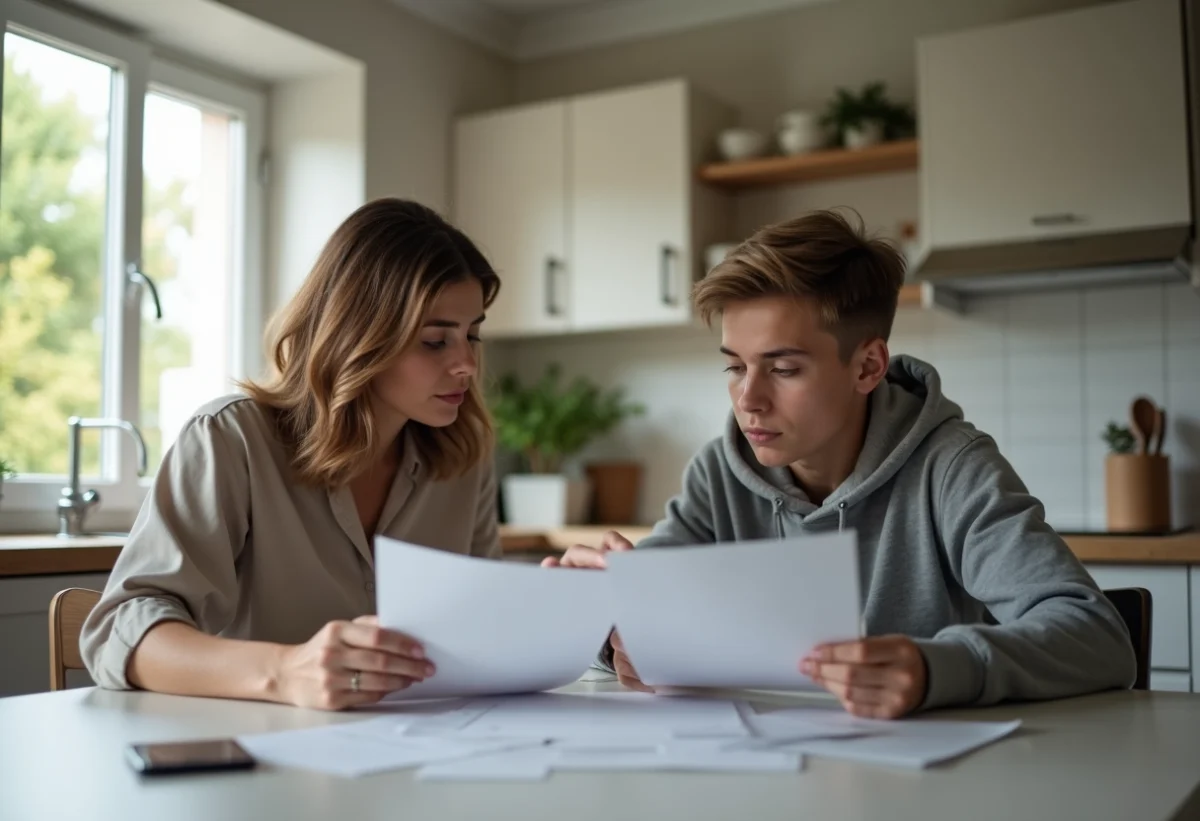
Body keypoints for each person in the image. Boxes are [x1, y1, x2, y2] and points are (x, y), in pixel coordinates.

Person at [548, 209, 1136, 719]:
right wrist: (606, 621)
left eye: (782, 369)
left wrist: (940, 668)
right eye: (734, 366)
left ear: (867, 367)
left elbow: (1099, 637)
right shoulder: (719, 473)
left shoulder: (952, 467)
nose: (748, 398)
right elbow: (644, 615)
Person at [81, 198, 501, 710]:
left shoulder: (464, 456)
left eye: (473, 335)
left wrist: (585, 612)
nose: (466, 365)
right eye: (435, 341)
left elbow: (484, 626)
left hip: (421, 753)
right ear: (359, 336)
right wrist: (284, 672)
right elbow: (119, 631)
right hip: (252, 761)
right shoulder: (231, 440)